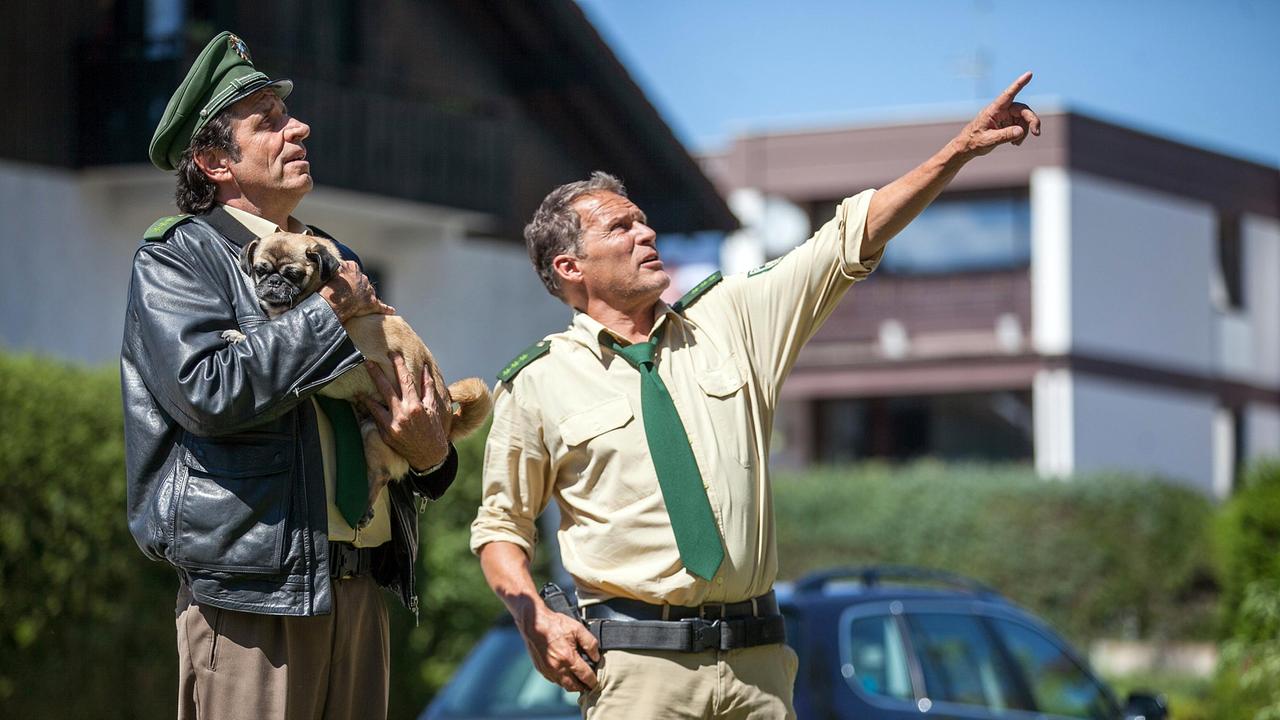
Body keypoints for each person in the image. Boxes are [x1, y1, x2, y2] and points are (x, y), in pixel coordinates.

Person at [470, 73, 1041, 718]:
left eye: (644, 221)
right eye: (620, 229)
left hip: (760, 670)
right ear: (570, 268)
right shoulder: (538, 383)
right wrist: (534, 619)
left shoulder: (732, 319)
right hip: (636, 673)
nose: (645, 234)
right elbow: (500, 528)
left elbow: (848, 238)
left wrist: (958, 152)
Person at [121, 31, 458, 720]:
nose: (298, 126)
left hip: (361, 590)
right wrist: (332, 311)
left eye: (289, 115)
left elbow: (382, 413)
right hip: (255, 603)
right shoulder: (182, 257)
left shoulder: (335, 257)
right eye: (268, 120)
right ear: (215, 160)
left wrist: (431, 458)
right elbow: (209, 393)